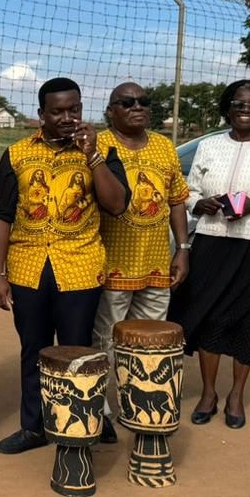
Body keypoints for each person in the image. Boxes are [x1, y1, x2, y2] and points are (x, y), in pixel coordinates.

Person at [0, 77, 130, 455]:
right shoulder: (17, 154)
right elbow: (1, 216)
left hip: (80, 267)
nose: (67, 117)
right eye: (58, 111)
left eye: (74, 110)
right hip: (27, 267)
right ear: (41, 115)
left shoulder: (104, 152)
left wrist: (93, 156)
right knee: (33, 348)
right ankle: (33, 427)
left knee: (78, 350)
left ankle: (82, 424)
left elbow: (117, 205)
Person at [168, 80, 250, 429]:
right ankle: (209, 393)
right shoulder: (210, 147)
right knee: (209, 315)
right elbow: (189, 190)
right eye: (239, 105)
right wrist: (200, 202)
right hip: (212, 240)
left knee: (247, 319)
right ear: (227, 108)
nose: (246, 111)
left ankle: (236, 395)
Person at [91, 82, 191, 439]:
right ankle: (101, 412)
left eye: (143, 102)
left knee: (149, 344)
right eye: (127, 102)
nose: (137, 107)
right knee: (107, 340)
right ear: (111, 110)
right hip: (111, 263)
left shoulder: (165, 147)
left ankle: (138, 406)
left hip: (155, 264)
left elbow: (176, 200)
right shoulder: (99, 145)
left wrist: (182, 248)